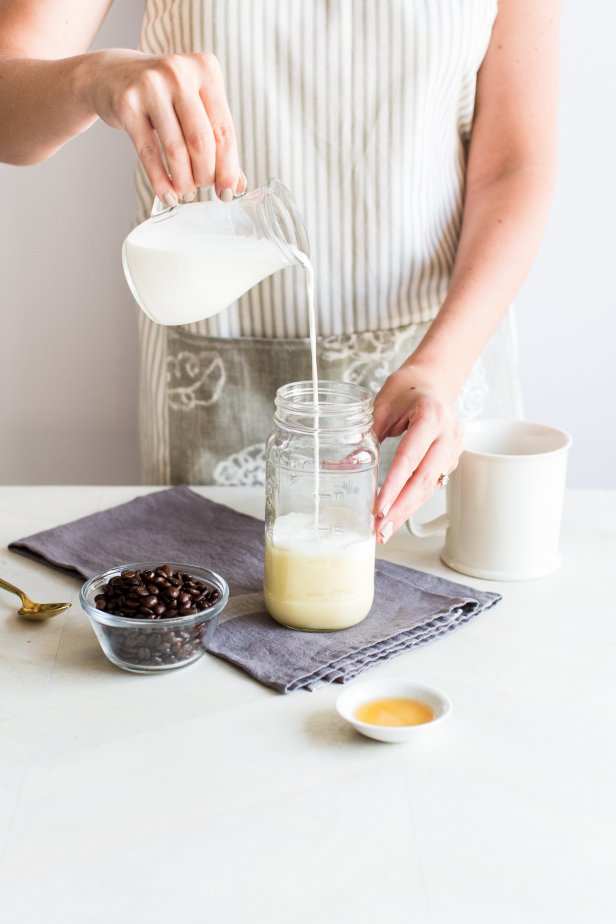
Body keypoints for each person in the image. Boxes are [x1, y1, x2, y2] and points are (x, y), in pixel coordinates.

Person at [0, 0, 560, 542]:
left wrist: (440, 370)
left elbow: (515, 162)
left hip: (440, 377)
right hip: (218, 385)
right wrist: (92, 76)